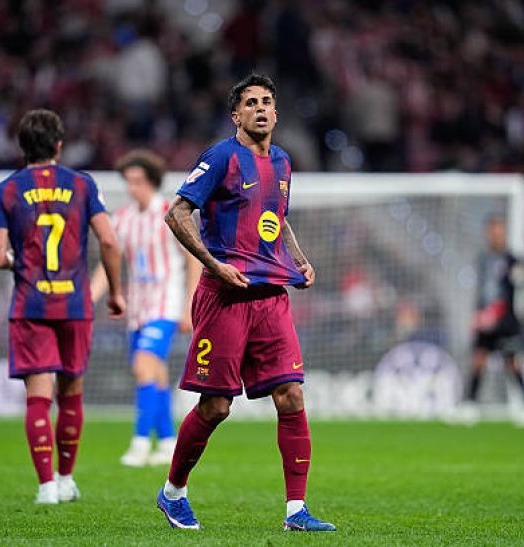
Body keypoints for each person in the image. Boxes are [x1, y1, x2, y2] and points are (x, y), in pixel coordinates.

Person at [155, 74, 336, 532]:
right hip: (225, 298)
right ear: (236, 114)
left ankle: (296, 511)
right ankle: (173, 492)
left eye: (267, 101)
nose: (260, 108)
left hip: (271, 298)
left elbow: (277, 218)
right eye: (251, 102)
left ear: (276, 112)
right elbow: (176, 214)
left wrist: (299, 260)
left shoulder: (283, 162)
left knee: (291, 395)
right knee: (216, 406)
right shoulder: (220, 157)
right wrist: (214, 266)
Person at [0, 109, 126, 504]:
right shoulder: (82, 184)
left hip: (31, 304)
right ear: (60, 146)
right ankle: (66, 479)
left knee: (38, 397)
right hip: (75, 304)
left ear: (21, 147)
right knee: (71, 393)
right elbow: (109, 241)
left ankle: (46, 486)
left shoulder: (5, 191)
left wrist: (16, 261)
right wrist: (115, 292)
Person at [90, 150, 200, 467]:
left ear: (152, 181)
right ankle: (167, 442)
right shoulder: (123, 219)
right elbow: (109, 262)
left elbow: (194, 260)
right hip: (138, 310)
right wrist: (91, 297)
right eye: (128, 181)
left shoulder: (170, 214)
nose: (131, 188)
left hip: (166, 305)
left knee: (143, 366)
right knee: (155, 373)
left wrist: (189, 305)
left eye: (137, 181)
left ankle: (139, 442)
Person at [468, 215, 524, 419]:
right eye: (493, 231)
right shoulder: (483, 260)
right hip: (485, 320)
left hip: (505, 321)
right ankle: (469, 404)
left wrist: (494, 314)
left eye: (499, 231)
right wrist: (478, 315)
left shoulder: (512, 260)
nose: (496, 235)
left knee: (512, 363)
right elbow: (481, 292)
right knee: (479, 360)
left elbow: (513, 290)